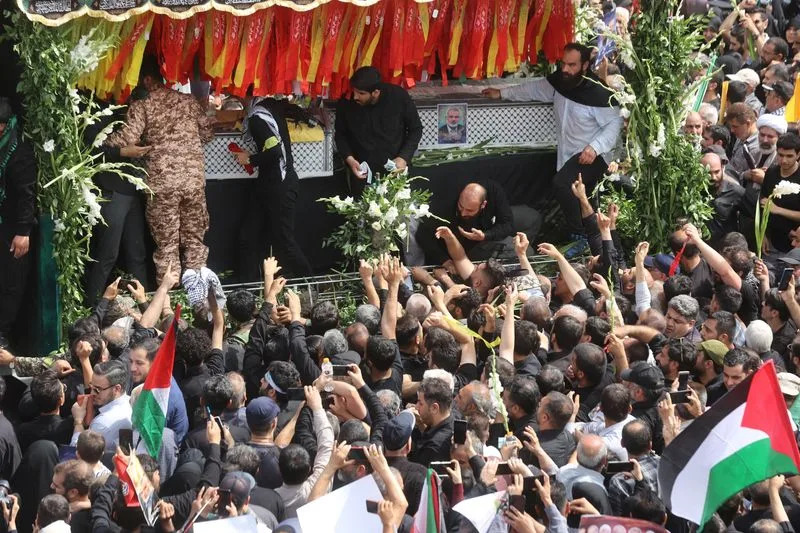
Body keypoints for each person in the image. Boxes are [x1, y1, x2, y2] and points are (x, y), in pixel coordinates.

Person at [482, 42, 623, 256]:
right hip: (568, 154)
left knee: (563, 184)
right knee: (578, 195)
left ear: (585, 65)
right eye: (563, 64)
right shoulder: (560, 82)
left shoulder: (599, 93)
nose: (565, 70)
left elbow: (614, 125)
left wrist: (595, 147)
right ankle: (591, 239)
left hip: (594, 156)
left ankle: (582, 236)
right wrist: (501, 94)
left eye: (572, 65)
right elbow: (533, 89)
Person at [104, 56, 213, 282]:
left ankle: (168, 306)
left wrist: (99, 143)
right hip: (193, 181)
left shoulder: (143, 103)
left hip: (162, 185)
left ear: (145, 78)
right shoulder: (188, 100)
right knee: (194, 242)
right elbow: (207, 134)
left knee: (167, 245)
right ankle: (200, 300)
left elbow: (127, 137)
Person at [234, 95, 312, 279]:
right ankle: (248, 283)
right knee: (249, 234)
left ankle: (309, 281)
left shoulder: (257, 118)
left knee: (283, 240)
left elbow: (275, 151)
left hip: (279, 186)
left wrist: (250, 159)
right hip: (269, 184)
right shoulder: (270, 108)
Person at [334, 66, 423, 195]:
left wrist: (403, 157)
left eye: (361, 93)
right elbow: (341, 135)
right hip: (363, 174)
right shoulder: (346, 102)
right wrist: (350, 159)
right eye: (354, 91)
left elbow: (416, 129)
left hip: (396, 170)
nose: (355, 97)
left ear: (376, 92)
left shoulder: (398, 96)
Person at [418, 181, 539, 263]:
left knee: (531, 218)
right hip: (461, 251)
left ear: (483, 205)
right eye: (460, 207)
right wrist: (444, 260)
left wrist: (485, 235)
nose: (463, 213)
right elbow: (421, 234)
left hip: (486, 235)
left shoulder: (493, 191)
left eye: (470, 210)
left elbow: (507, 224)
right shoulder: (446, 203)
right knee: (528, 252)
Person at [0, 97, 35, 349]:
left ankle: (2, 333)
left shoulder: (17, 150)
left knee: (11, 282)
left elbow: (26, 193)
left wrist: (23, 231)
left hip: (13, 227)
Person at [70, 360, 131, 451]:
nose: (92, 393)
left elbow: (79, 451)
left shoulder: (102, 423)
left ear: (117, 389)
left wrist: (78, 422)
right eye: (91, 386)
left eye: (98, 389)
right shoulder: (132, 404)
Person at [760, 133, 800, 254]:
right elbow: (762, 204)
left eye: (789, 156)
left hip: (793, 246)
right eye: (781, 155)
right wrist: (763, 235)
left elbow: (771, 207)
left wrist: (777, 210)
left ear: (798, 155)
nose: (784, 160)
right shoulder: (771, 172)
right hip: (771, 242)